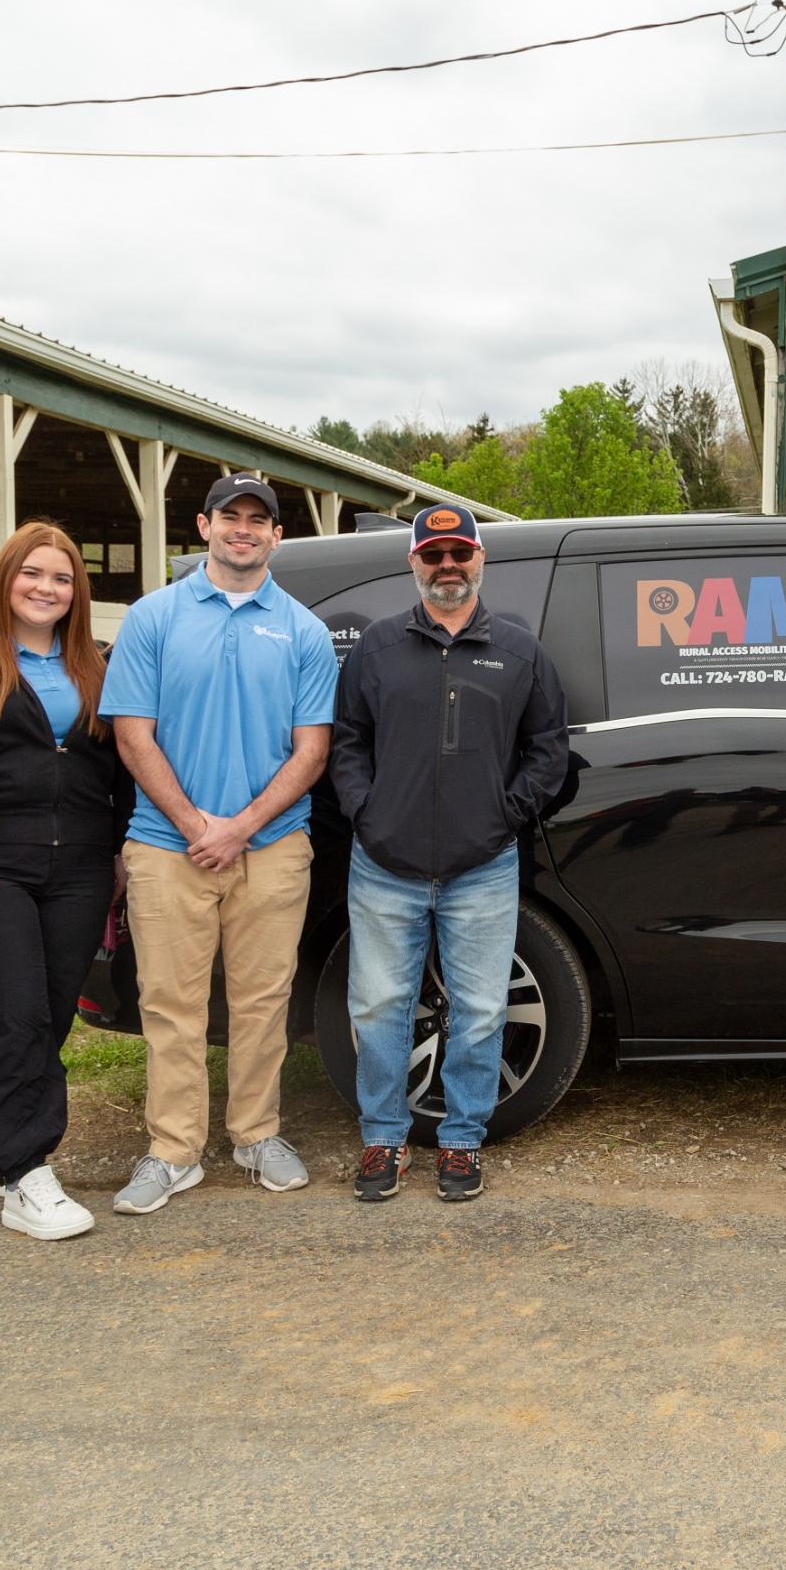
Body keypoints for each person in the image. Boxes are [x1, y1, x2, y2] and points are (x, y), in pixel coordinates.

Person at [101, 474, 337, 1216]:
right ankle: (172, 1151)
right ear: (203, 526)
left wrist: (238, 827)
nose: (243, 529)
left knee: (264, 998)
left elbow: (311, 752)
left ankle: (256, 1134)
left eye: (257, 520)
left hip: (271, 847)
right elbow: (132, 734)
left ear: (277, 537)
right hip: (166, 845)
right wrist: (197, 824)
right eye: (229, 517)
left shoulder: (302, 630)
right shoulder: (153, 618)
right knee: (169, 1002)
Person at [330, 506, 568, 1203]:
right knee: (377, 1005)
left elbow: (548, 749)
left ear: (479, 558)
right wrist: (367, 811)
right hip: (384, 864)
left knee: (481, 1009)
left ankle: (462, 1141)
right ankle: (383, 1138)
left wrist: (506, 813)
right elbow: (346, 741)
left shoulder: (519, 652)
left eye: (458, 552)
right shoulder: (375, 649)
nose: (447, 566)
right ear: (414, 562)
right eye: (433, 554)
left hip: (482, 867)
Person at [0, 521, 130, 1242]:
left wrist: (122, 850)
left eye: (62, 578)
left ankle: (6, 1148)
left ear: (79, 591)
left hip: (78, 867)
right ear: (5, 576)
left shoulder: (94, 664)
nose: (46, 588)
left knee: (47, 1014)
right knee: (9, 1014)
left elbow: (117, 767)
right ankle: (26, 1174)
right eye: (32, 573)